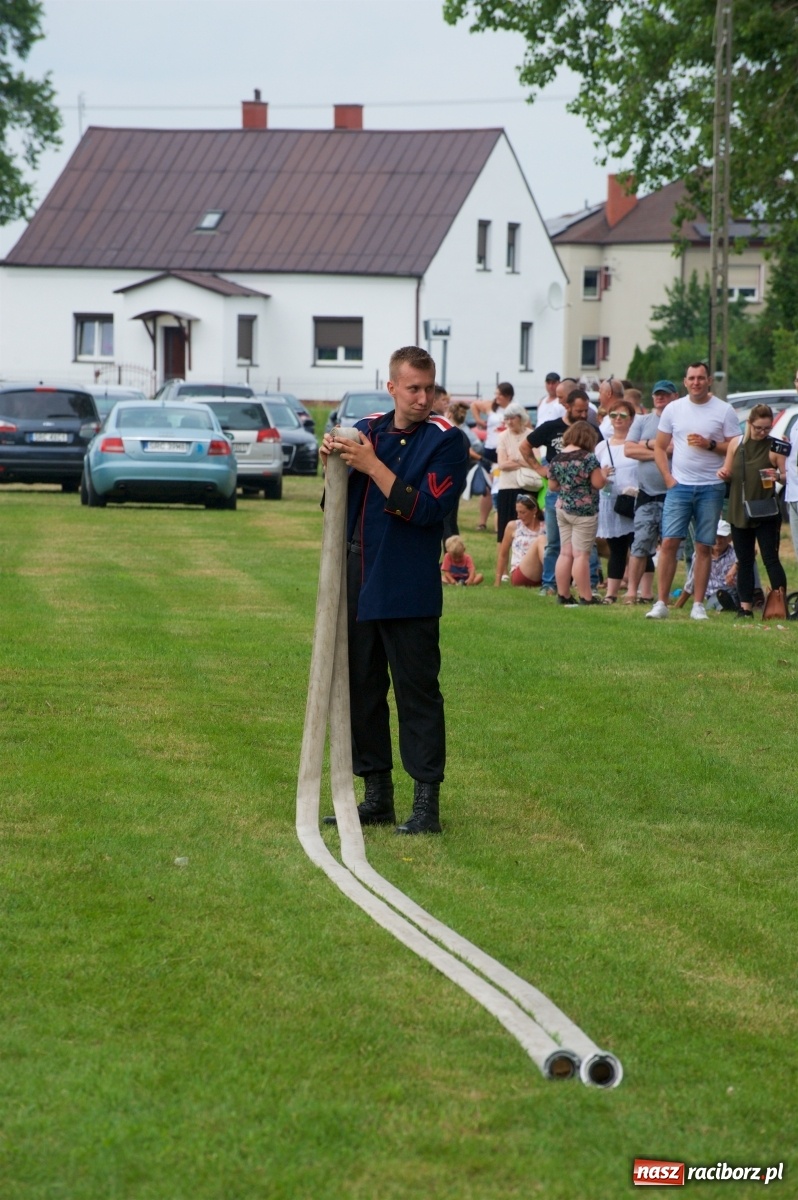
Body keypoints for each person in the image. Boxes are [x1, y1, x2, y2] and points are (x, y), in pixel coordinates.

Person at [320, 345, 469, 834]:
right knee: (361, 689)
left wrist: (371, 465)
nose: (424, 398)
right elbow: (332, 507)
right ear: (392, 387)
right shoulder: (365, 430)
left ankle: (426, 802)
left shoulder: (446, 440)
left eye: (429, 388)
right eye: (413, 388)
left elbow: (425, 510)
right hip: (359, 574)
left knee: (416, 692)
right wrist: (334, 463)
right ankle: (376, 795)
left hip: (407, 581)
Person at [646, 361, 740, 621]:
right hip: (680, 486)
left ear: (709, 380)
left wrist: (710, 444)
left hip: (710, 486)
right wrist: (667, 478)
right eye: (691, 378)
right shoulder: (674, 409)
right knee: (669, 543)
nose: (696, 382)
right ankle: (661, 603)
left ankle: (698, 604)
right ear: (685, 382)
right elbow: (659, 447)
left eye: (701, 378)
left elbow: (735, 446)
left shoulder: (724, 410)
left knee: (704, 545)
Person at [521, 387, 601, 594]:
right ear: (567, 407)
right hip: (562, 496)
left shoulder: (591, 429)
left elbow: (602, 452)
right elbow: (525, 446)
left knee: (586, 545)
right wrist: (539, 469)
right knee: (554, 543)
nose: (583, 415)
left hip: (574, 494)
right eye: (579, 411)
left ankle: (589, 583)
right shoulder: (550, 427)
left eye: (586, 411)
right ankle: (549, 584)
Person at [717, 404, 788, 618]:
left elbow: (786, 475)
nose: (763, 432)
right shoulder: (735, 444)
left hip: (766, 509)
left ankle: (779, 603)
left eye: (767, 428)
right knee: (744, 559)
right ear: (749, 424)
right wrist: (723, 473)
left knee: (770, 557)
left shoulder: (775, 447)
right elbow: (728, 471)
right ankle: (745, 607)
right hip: (740, 509)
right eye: (759, 428)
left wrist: (777, 477)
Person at [623, 380, 678, 604]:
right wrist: (658, 448)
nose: (660, 398)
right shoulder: (643, 420)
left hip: (674, 494)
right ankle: (631, 592)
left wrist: (644, 445)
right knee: (640, 543)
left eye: (664, 394)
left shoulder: (679, 420)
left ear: (675, 396)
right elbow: (628, 449)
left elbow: (676, 448)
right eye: (657, 394)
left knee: (669, 546)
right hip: (646, 494)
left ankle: (662, 595)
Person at [547, 420, 606, 605]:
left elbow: (552, 486)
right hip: (584, 510)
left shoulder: (557, 459)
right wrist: (604, 474)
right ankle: (586, 596)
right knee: (581, 555)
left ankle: (563, 594)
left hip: (563, 508)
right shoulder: (588, 458)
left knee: (565, 553)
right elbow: (598, 483)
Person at [594, 396, 639, 603]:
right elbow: (595, 476)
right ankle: (611, 593)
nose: (618, 419)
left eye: (623, 415)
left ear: (631, 418)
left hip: (634, 499)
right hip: (610, 501)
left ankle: (638, 591)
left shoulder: (637, 443)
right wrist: (602, 475)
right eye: (613, 415)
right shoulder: (602, 446)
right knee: (616, 548)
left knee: (639, 546)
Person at [470, 382, 514, 531]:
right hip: (490, 450)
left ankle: (501, 520)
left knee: (501, 485)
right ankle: (482, 522)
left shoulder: (513, 408)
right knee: (487, 488)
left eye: (499, 395)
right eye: (496, 394)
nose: (496, 397)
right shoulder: (491, 406)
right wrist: (478, 420)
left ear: (508, 396)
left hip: (505, 451)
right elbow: (474, 405)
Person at [676, 520, 738, 611]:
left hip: (733, 591)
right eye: (715, 537)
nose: (718, 541)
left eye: (722, 537)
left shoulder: (734, 553)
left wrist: (735, 566)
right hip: (712, 595)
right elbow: (692, 581)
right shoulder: (699, 555)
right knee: (715, 601)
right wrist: (678, 605)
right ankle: (726, 606)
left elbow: (751, 553)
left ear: (729, 539)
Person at [495, 401, 532, 542]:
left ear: (521, 417)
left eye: (512, 418)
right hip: (507, 487)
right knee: (504, 533)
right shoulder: (503, 436)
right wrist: (522, 460)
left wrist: (514, 459)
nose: (509, 422)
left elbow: (535, 461)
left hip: (527, 486)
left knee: (527, 531)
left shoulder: (531, 435)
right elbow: (502, 464)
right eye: (507, 418)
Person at [494, 493, 545, 587]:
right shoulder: (513, 526)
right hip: (521, 573)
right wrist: (497, 581)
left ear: (534, 510)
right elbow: (503, 554)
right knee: (541, 539)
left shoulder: (545, 526)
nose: (518, 516)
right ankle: (553, 577)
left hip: (540, 573)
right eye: (518, 512)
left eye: (523, 512)